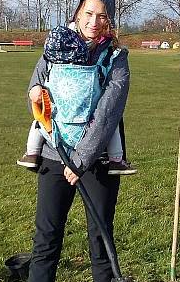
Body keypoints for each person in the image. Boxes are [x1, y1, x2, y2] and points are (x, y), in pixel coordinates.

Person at [24, 0, 129, 282]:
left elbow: (109, 112)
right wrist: (35, 90)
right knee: (46, 242)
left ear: (109, 21)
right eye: (88, 13)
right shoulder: (56, 46)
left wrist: (82, 160)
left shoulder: (116, 57)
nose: (94, 22)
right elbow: (36, 83)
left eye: (102, 16)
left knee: (100, 242)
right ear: (77, 14)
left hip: (96, 162)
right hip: (54, 158)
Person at [17, 24, 136, 175]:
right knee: (113, 128)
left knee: (38, 124)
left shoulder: (55, 56)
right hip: (66, 142)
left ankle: (32, 153)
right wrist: (34, 91)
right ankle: (116, 160)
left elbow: (110, 107)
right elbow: (35, 87)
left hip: (72, 137)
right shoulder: (57, 57)